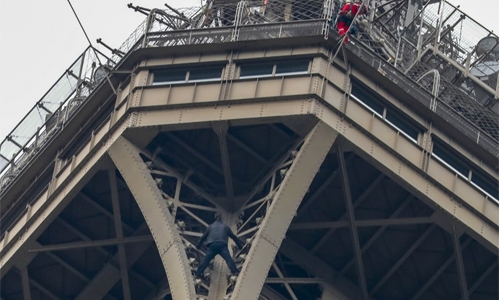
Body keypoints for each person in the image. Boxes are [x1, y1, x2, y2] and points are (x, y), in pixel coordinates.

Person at [195, 213, 244, 278]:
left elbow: (203, 237)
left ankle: (198, 273)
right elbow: (233, 237)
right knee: (228, 259)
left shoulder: (210, 227)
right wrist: (240, 246)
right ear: (221, 219)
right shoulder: (225, 227)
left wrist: (198, 245)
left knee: (205, 260)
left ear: (215, 218)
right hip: (222, 245)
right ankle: (235, 271)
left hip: (212, 245)